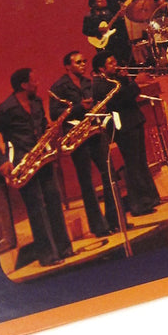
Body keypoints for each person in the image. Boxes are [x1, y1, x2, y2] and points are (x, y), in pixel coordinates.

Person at [0, 68, 73, 267]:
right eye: (34, 81)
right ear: (23, 85)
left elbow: (41, 125)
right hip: (23, 163)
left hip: (43, 158)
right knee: (36, 209)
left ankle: (64, 248)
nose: (37, 84)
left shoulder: (37, 102)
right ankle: (48, 256)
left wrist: (49, 129)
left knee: (54, 201)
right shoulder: (5, 109)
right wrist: (2, 161)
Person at [49, 51, 118, 237]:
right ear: (68, 67)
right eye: (78, 62)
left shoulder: (89, 83)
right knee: (86, 182)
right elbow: (54, 113)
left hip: (95, 131)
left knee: (109, 173)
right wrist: (80, 107)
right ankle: (99, 226)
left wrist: (98, 107)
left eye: (84, 61)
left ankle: (115, 219)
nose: (83, 64)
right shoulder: (59, 87)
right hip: (77, 135)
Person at [90, 50, 162, 216]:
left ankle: (151, 197)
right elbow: (122, 97)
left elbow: (127, 93)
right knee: (133, 165)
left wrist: (125, 80)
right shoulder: (100, 84)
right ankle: (139, 204)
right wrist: (134, 82)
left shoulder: (114, 79)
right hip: (123, 126)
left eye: (114, 61)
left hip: (133, 121)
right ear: (101, 68)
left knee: (141, 161)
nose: (115, 65)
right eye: (111, 63)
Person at [82, 0, 132, 65]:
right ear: (93, 4)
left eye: (101, 1)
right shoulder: (89, 16)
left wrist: (120, 18)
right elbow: (85, 31)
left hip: (113, 39)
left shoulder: (107, 12)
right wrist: (98, 30)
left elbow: (114, 23)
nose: (101, 3)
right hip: (101, 41)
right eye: (98, 2)